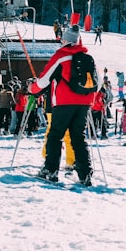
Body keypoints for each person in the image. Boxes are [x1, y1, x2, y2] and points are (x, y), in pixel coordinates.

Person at [30, 26, 96, 185]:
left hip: (64, 102)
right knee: (78, 137)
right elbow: (97, 82)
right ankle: (85, 173)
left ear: (65, 40)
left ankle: (50, 170)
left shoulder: (61, 56)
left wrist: (33, 89)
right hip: (84, 103)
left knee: (55, 135)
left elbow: (44, 79)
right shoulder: (88, 57)